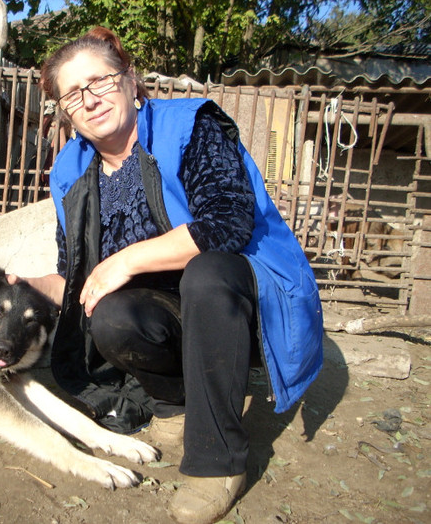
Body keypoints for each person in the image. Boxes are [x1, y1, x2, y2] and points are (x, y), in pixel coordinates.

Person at [21, 27, 323, 524]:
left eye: (99, 81)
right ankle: (175, 405)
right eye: (73, 94)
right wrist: (19, 286)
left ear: (129, 80)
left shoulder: (190, 126)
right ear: (65, 112)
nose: (90, 100)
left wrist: (126, 260)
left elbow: (228, 223)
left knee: (206, 272)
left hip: (245, 305)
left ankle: (217, 460)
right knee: (111, 316)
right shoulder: (70, 172)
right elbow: (78, 279)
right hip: (170, 317)